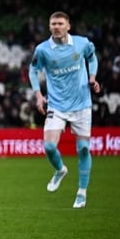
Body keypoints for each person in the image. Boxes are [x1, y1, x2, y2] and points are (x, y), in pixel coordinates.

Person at [28, 11, 100, 209]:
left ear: (68, 26)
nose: (56, 27)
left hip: (81, 104)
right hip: (57, 105)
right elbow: (33, 70)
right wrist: (38, 95)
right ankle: (60, 170)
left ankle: (82, 192)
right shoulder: (43, 50)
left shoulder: (82, 43)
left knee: (83, 149)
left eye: (60, 23)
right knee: (49, 146)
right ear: (49, 27)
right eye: (53, 24)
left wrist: (92, 77)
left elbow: (92, 58)